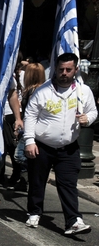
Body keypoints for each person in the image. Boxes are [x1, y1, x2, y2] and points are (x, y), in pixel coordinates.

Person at [23, 52, 97, 234]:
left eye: (68, 69)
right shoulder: (43, 91)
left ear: (76, 70)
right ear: (55, 69)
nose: (64, 73)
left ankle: (74, 220)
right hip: (42, 146)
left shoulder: (83, 91)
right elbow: (30, 115)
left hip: (68, 148)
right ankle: (35, 211)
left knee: (68, 183)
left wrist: (88, 119)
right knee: (37, 181)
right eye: (61, 69)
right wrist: (29, 141)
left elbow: (93, 111)